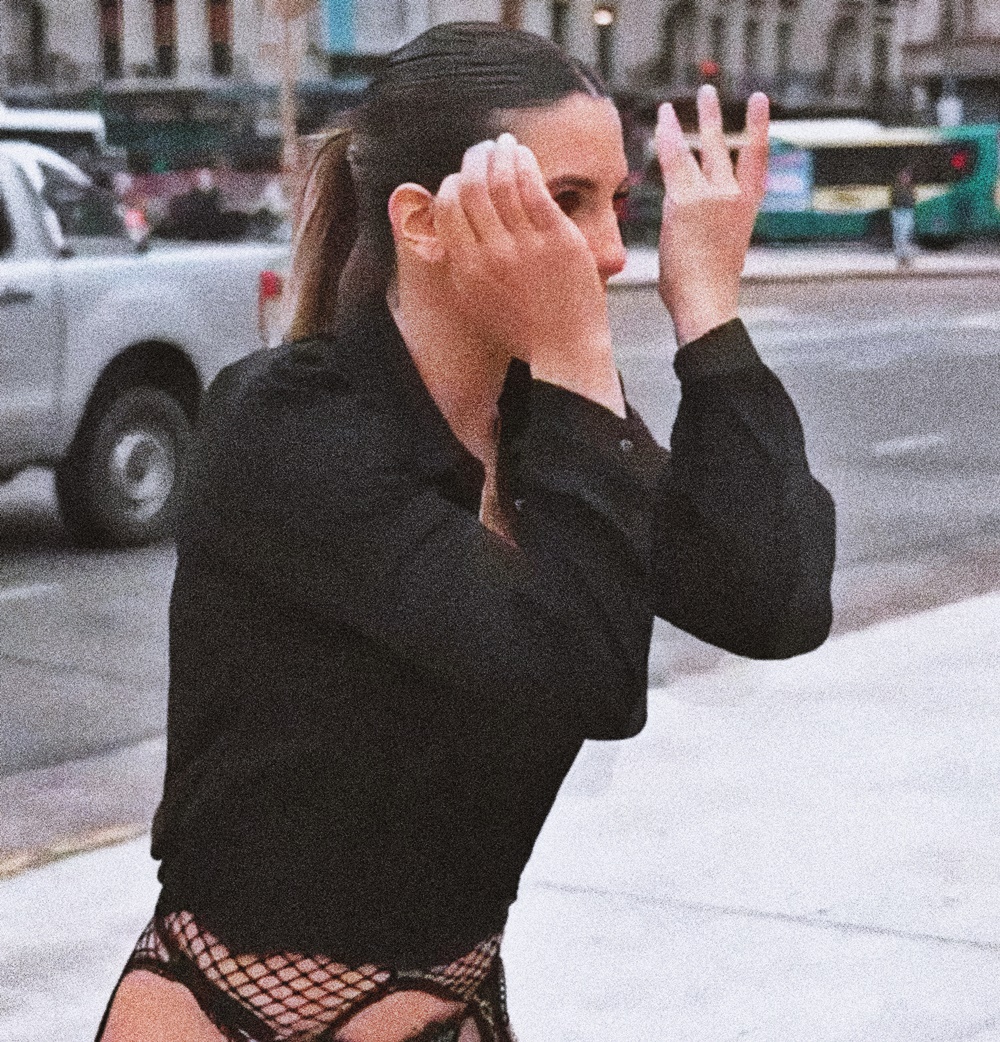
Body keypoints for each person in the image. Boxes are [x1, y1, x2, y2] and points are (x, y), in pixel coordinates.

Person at [96, 21, 835, 1042]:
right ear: (424, 222)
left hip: (460, 1008)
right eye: (563, 202)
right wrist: (575, 357)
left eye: (617, 202)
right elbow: (583, 673)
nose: (610, 251)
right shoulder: (282, 425)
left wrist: (707, 312)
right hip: (228, 1016)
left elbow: (773, 601)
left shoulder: (542, 429)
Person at [890, 166, 917, 267]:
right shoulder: (896, 188)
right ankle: (901, 258)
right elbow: (894, 201)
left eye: (906, 177)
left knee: (904, 236)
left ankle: (906, 258)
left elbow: (912, 201)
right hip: (898, 212)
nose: (905, 178)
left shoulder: (910, 188)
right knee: (898, 237)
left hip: (908, 212)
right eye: (903, 176)